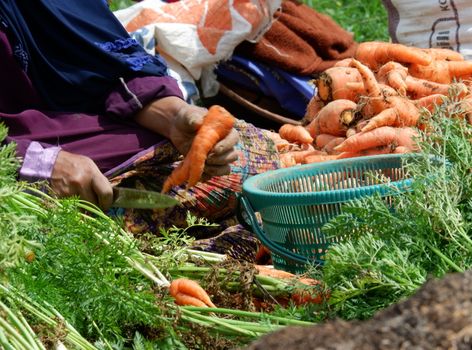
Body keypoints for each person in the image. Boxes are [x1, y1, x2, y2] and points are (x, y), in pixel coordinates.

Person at [0, 0, 281, 258]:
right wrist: (38, 164)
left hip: (62, 125)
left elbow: (103, 59)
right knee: (49, 227)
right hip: (14, 153)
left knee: (247, 154)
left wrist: (174, 116)